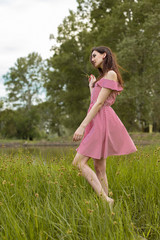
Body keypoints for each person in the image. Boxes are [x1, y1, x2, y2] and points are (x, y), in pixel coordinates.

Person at [72, 46, 137, 210]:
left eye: (94, 55)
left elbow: (101, 104)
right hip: (97, 120)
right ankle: (107, 209)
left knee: (78, 162)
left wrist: (82, 126)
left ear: (104, 55)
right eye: (91, 57)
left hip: (102, 122)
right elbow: (94, 102)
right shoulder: (101, 79)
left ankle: (105, 200)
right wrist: (91, 88)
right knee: (99, 168)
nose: (92, 59)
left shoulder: (111, 74)